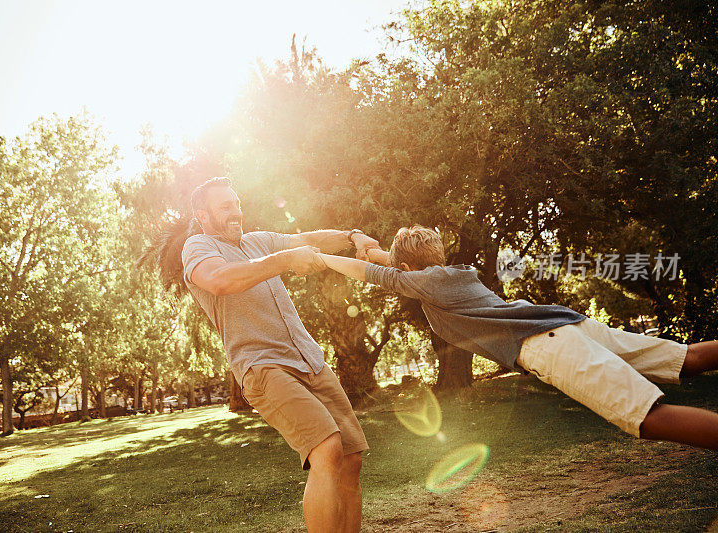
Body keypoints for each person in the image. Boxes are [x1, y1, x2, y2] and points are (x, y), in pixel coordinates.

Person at [317, 225, 718, 450]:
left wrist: (316, 258)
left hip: (546, 345)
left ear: (408, 268)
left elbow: (379, 273)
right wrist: (360, 241)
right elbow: (390, 263)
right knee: (687, 359)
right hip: (567, 324)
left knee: (647, 419)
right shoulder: (447, 275)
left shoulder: (428, 283)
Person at [158, 177, 380, 533]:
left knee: (351, 458)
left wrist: (352, 236)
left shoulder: (257, 241)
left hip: (311, 361)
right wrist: (286, 259)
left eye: (237, 203)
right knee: (327, 449)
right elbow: (222, 280)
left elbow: (309, 239)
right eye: (225, 206)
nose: (236, 211)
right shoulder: (197, 248)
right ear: (203, 216)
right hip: (263, 366)